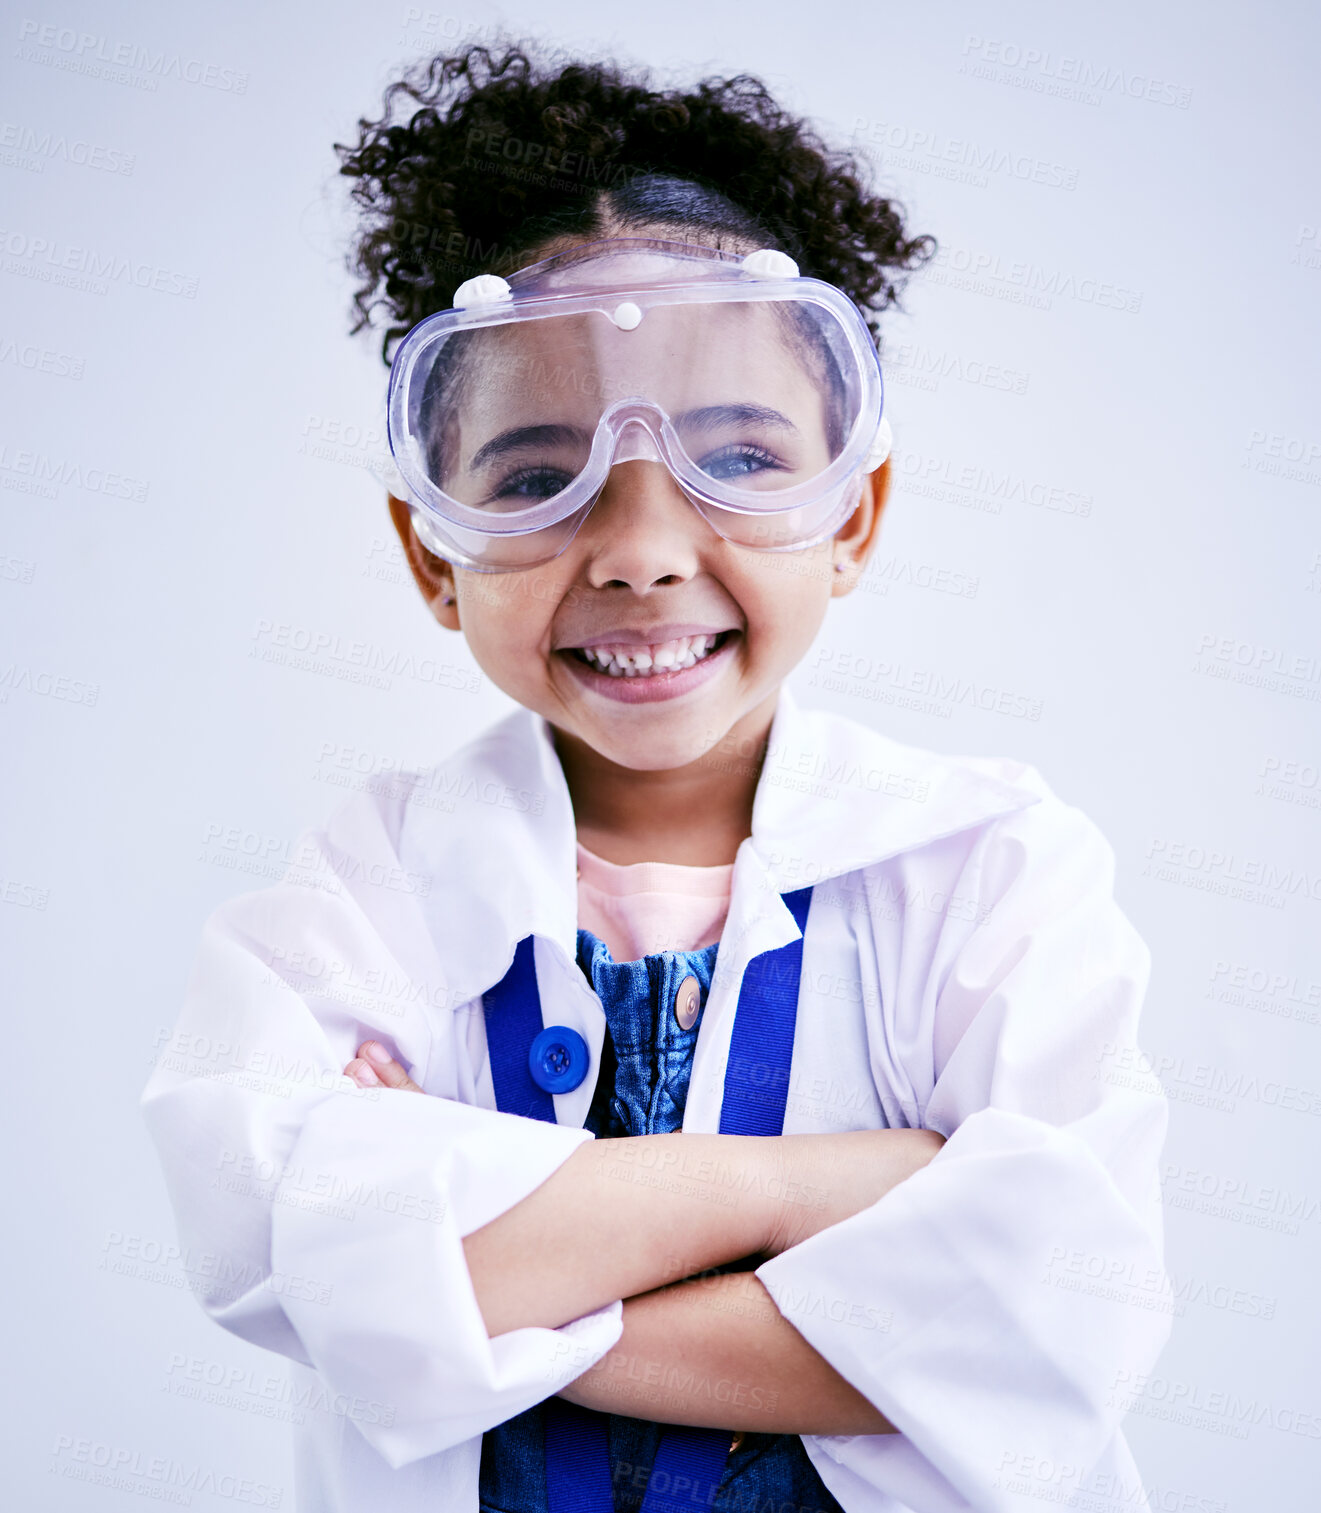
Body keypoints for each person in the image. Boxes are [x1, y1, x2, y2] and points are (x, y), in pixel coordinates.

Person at [142, 41, 1172, 1513]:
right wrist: (820, 1190)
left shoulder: (990, 863)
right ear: (429, 551)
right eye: (527, 475)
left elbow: (1056, 1311)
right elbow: (273, 1248)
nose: (637, 547)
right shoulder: (364, 887)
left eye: (738, 455)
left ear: (853, 515)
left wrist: (470, 1290)